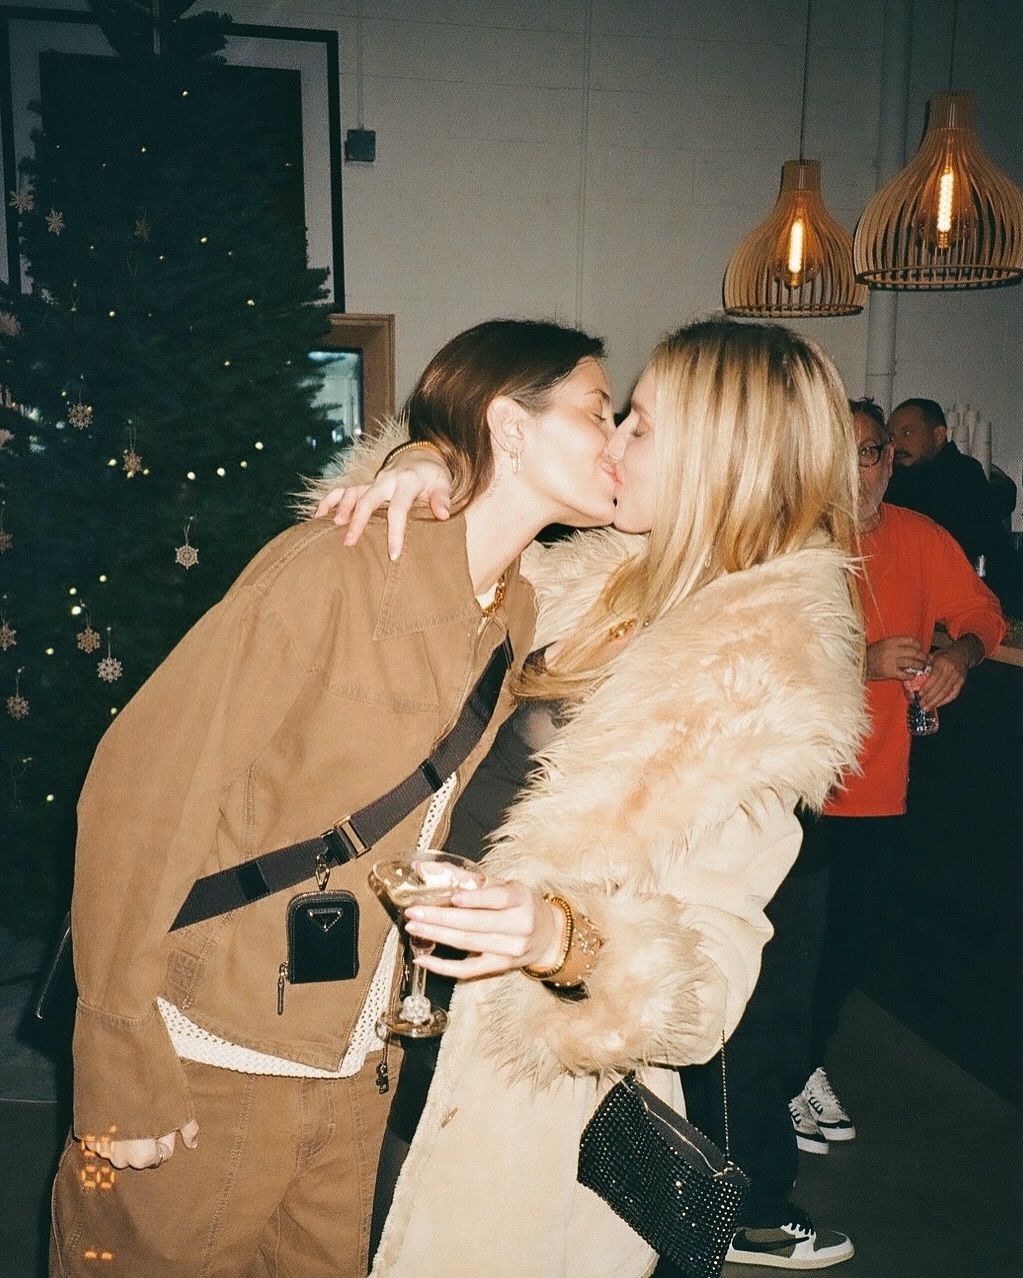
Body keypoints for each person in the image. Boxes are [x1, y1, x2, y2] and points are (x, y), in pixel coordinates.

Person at [48, 318, 623, 1278]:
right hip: (208, 1050)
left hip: (359, 1059)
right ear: (510, 426)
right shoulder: (336, 565)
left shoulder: (514, 608)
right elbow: (139, 794)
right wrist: (116, 1055)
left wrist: (419, 459)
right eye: (599, 411)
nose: (615, 438)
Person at [314, 317, 869, 1278]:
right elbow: (417, 564)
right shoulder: (596, 577)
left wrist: (557, 937)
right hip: (387, 1021)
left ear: (720, 462)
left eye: (640, 425)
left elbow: (705, 993)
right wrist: (427, 463)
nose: (612, 442)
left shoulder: (759, 685)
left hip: (512, 1099)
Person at [798, 398, 1006, 1121]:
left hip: (878, 786)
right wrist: (863, 661)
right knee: (791, 951)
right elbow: (760, 660)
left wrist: (959, 655)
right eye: (842, 454)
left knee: (849, 947)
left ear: (888, 460)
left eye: (868, 452)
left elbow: (983, 613)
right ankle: (779, 1078)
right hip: (797, 786)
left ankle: (801, 1064)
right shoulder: (792, 546)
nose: (857, 472)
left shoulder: (921, 537)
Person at [885, 397, 1022, 617]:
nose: (897, 444)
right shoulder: (895, 482)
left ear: (938, 435)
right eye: (891, 437)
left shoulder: (962, 477)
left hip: (970, 606)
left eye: (907, 433)